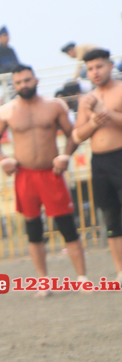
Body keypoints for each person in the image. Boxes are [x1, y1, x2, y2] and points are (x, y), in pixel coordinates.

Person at [0, 65, 87, 296]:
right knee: (33, 229)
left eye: (27, 80)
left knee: (67, 227)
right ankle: (43, 282)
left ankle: (82, 278)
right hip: (25, 175)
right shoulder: (7, 111)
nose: (23, 85)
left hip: (51, 173)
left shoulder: (54, 106)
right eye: (18, 82)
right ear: (14, 85)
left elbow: (73, 135)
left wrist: (65, 156)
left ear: (36, 80)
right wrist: (3, 159)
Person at [73, 49, 122, 280]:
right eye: (91, 68)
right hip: (100, 162)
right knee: (111, 219)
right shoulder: (86, 100)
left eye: (99, 66)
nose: (95, 72)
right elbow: (77, 135)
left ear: (110, 66)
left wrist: (106, 113)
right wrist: (93, 122)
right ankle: (120, 270)